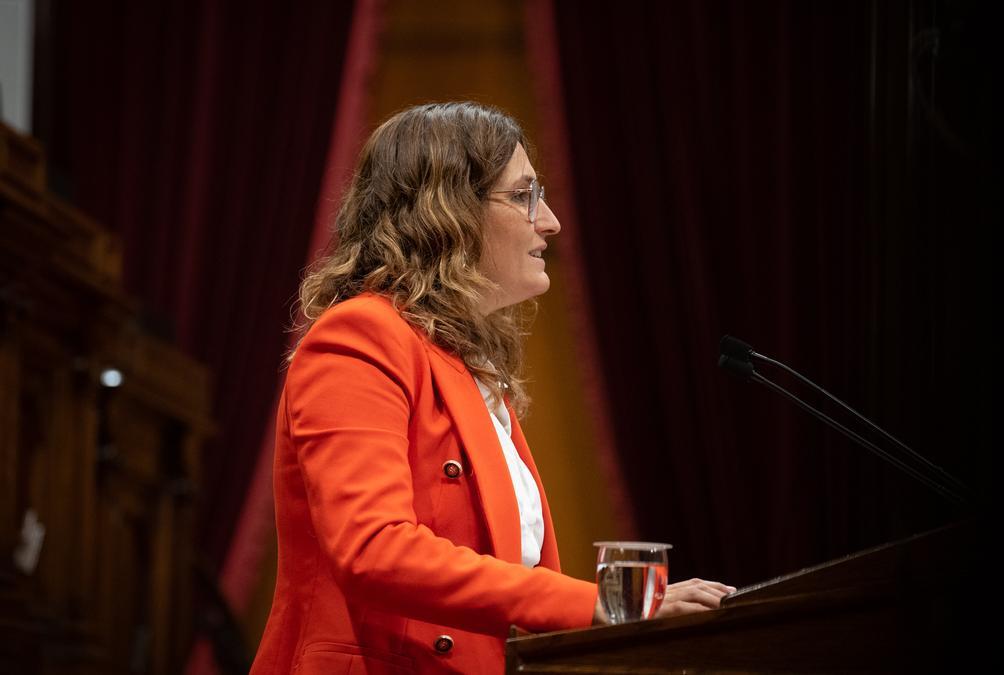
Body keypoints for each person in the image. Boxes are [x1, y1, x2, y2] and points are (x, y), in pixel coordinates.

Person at [249, 102, 733, 675]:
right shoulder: (361, 336)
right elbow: (373, 547)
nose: (550, 220)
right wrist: (604, 605)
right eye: (524, 195)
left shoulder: (466, 365)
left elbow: (514, 584)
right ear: (448, 212)